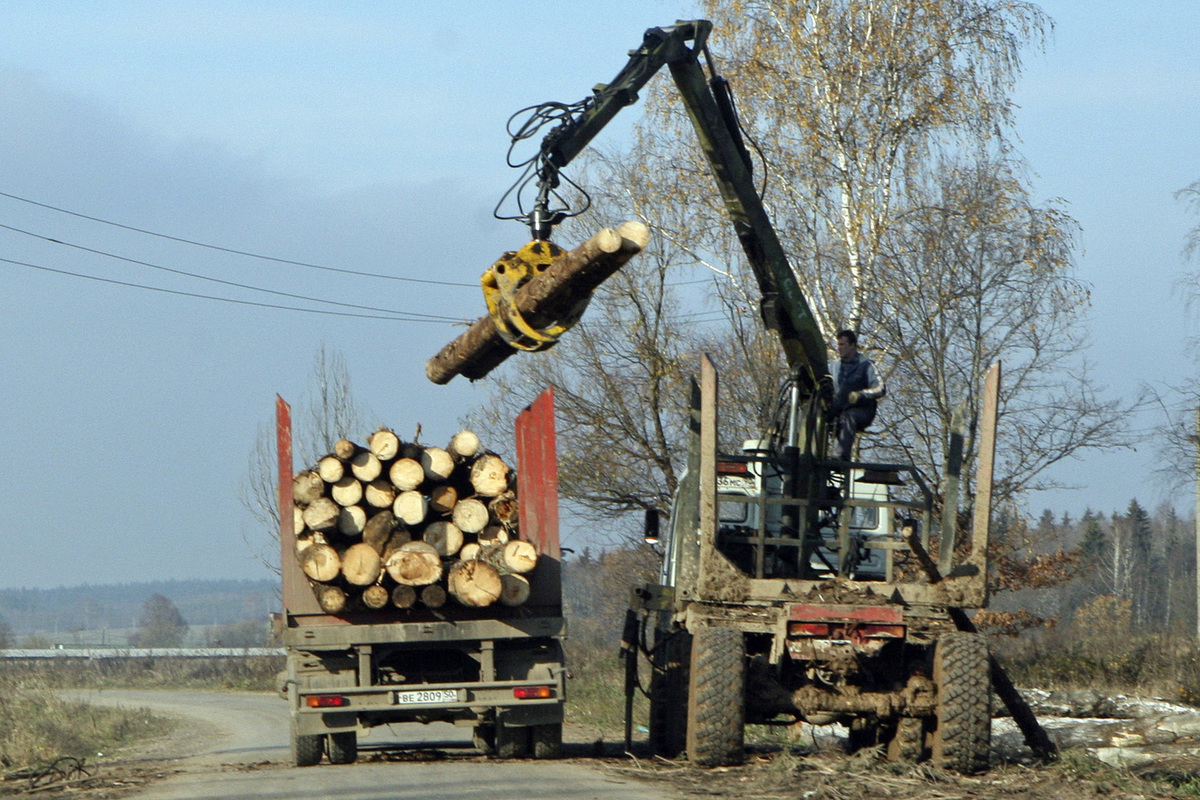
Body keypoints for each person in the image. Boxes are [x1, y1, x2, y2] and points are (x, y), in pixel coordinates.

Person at [829, 329, 886, 461]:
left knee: (849, 417)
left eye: (843, 345)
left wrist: (861, 394)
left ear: (853, 345)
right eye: (839, 345)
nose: (840, 348)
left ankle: (843, 456)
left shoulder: (867, 366)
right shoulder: (834, 367)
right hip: (840, 409)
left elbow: (881, 388)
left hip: (863, 411)